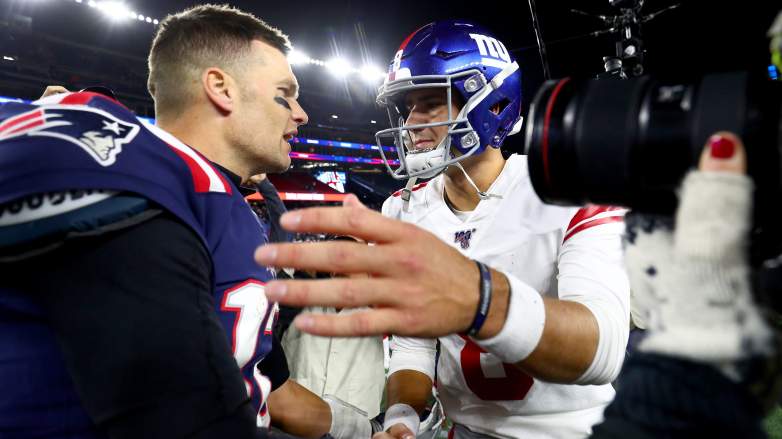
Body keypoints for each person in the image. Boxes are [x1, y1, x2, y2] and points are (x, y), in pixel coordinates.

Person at [0, 5, 371, 439]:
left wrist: (362, 428)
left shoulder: (222, 205)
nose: (302, 113)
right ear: (221, 88)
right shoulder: (130, 168)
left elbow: (264, 389)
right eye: (285, 93)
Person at [259, 20, 631, 439]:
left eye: (431, 102)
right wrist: (402, 416)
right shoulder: (403, 209)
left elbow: (604, 350)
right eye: (407, 108)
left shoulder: (568, 190)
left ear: (491, 103)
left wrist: (476, 297)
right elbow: (414, 346)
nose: (410, 123)